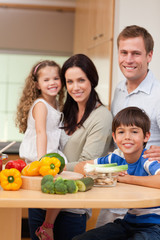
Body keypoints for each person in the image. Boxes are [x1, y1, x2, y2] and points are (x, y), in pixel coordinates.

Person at [28, 54, 113, 240]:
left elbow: (87, 165)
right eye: (70, 81)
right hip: (41, 200)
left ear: (92, 79)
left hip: (71, 207)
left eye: (81, 80)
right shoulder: (64, 111)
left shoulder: (101, 117)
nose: (75, 87)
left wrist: (49, 167)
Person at [96, 24, 160, 227]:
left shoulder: (158, 95)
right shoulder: (119, 89)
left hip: (146, 207)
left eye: (136, 53)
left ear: (149, 56)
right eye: (124, 52)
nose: (129, 60)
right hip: (115, 197)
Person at [73, 106, 160, 240]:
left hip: (154, 226)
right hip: (128, 222)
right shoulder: (115, 158)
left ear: (146, 136)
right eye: (121, 132)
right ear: (114, 137)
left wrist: (127, 179)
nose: (127, 137)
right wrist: (107, 172)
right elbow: (79, 167)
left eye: (134, 131)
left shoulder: (147, 159)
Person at [16, 60, 68, 240]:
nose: (52, 82)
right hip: (40, 154)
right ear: (37, 85)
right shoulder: (41, 105)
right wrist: (42, 161)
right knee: (56, 188)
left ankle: (47, 226)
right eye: (46, 80)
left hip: (49, 153)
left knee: (60, 189)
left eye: (56, 78)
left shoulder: (55, 104)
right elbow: (41, 133)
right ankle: (47, 226)